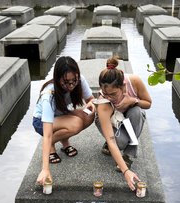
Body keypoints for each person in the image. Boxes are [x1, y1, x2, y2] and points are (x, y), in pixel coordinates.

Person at [33, 56, 96, 186]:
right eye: (66, 82)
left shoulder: (79, 80)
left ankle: (64, 142)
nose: (71, 85)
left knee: (89, 115)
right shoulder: (48, 95)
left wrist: (92, 104)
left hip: (62, 115)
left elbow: (91, 99)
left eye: (74, 80)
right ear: (57, 78)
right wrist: (45, 170)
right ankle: (51, 147)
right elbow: (48, 133)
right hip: (41, 122)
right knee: (75, 124)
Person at [95, 56, 152, 191]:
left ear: (123, 86)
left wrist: (133, 101)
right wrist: (126, 172)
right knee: (118, 142)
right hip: (111, 120)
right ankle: (116, 144)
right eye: (105, 93)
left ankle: (128, 154)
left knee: (137, 111)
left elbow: (148, 103)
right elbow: (111, 139)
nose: (109, 97)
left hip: (129, 116)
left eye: (113, 94)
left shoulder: (134, 81)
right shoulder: (104, 103)